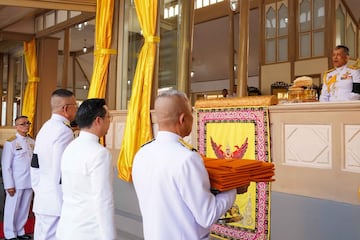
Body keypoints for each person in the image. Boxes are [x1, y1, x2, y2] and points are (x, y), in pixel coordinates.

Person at [132, 90, 248, 240]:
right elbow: (207, 215)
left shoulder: (142, 153)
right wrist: (233, 189)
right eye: (191, 113)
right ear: (182, 119)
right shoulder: (187, 158)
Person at [56, 98, 116, 240]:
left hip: (67, 227)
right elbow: (103, 200)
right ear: (98, 120)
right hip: (89, 231)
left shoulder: (71, 147)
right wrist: (110, 236)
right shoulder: (100, 154)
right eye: (108, 117)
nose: (109, 122)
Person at [30, 89, 77, 240]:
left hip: (43, 196)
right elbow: (61, 170)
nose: (76, 109)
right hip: (56, 200)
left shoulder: (45, 127)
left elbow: (35, 165)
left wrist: (38, 189)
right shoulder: (64, 131)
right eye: (75, 105)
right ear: (65, 108)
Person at [1, 116, 34, 240]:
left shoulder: (32, 142)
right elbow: (6, 165)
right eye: (22, 124)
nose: (26, 126)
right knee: (12, 209)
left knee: (24, 209)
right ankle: (10, 234)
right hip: (16, 182)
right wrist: (9, 184)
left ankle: (20, 231)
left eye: (27, 123)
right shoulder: (11, 143)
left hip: (29, 181)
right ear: (17, 126)